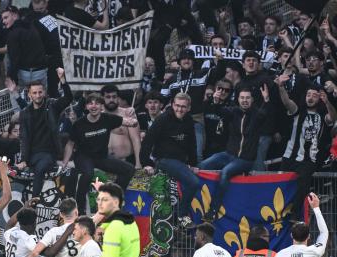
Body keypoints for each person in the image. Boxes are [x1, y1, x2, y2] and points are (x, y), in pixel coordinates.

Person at [199, 85, 271, 221]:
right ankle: (197, 198)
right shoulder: (234, 112)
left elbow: (263, 114)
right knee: (202, 165)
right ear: (237, 99)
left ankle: (213, 210)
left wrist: (266, 100)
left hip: (245, 160)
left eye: (247, 98)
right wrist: (216, 101)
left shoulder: (256, 114)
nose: (244, 100)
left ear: (252, 100)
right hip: (228, 154)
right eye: (242, 98)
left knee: (225, 172)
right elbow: (220, 111)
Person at [62, 93, 137, 214]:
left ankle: (111, 197)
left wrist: (132, 117)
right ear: (86, 107)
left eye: (97, 103)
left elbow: (129, 122)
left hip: (101, 157)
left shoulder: (107, 118)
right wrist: (65, 162)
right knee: (88, 173)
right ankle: (80, 209)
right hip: (83, 156)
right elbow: (70, 144)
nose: (94, 106)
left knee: (129, 169)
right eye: (90, 103)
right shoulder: (79, 124)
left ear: (102, 106)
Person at [277, 78, 335, 221]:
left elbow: (333, 118)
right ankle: (278, 213)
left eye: (315, 95)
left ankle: (294, 214)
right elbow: (286, 102)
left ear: (319, 99)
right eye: (308, 94)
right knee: (282, 185)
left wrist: (327, 102)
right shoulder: (298, 111)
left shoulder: (322, 117)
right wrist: (281, 86)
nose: (310, 97)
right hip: (289, 156)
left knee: (303, 184)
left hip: (309, 159)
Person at [140, 93, 199, 229]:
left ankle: (180, 215)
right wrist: (146, 163)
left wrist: (194, 164)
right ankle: (182, 215)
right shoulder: (162, 119)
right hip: (164, 159)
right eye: (177, 106)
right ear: (172, 105)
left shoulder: (189, 120)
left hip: (180, 162)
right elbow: (148, 141)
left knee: (196, 177)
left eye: (183, 107)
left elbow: (192, 144)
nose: (179, 109)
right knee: (194, 182)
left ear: (189, 108)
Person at [16, 69, 72, 198]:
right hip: (33, 154)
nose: (38, 95)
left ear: (44, 92)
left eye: (40, 92)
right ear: (29, 95)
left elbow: (68, 98)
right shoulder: (25, 113)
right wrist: (24, 160)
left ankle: (33, 201)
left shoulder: (52, 105)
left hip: (49, 153)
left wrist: (62, 79)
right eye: (34, 93)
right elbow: (24, 137)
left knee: (40, 169)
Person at [101, 85, 142, 167]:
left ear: (118, 98)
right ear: (103, 98)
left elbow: (136, 140)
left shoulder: (127, 114)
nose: (111, 100)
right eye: (108, 97)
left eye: (114, 97)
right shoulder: (98, 116)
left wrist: (138, 163)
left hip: (126, 162)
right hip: (103, 163)